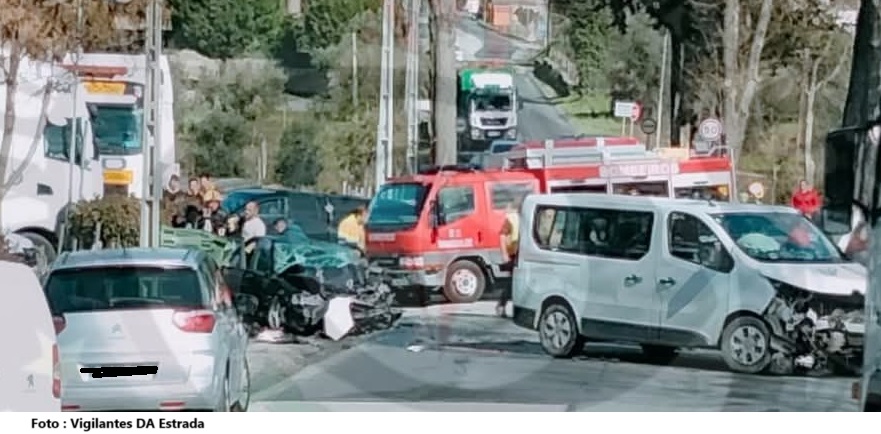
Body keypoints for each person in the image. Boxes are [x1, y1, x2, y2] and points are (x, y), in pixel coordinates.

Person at [496, 197, 522, 318]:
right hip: (515, 255)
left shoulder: (532, 217)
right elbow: (502, 235)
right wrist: (504, 255)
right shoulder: (512, 219)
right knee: (512, 283)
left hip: (526, 255)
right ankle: (501, 305)